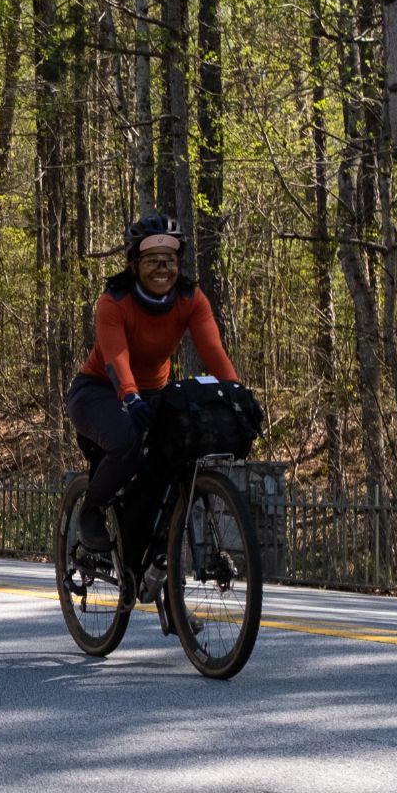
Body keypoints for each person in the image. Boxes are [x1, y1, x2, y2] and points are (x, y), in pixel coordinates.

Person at [66, 213, 240, 554]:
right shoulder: (113, 302)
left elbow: (213, 351)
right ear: (134, 265)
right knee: (127, 440)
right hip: (99, 390)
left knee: (174, 454)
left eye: (170, 260)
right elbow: (116, 358)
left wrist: (236, 392)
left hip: (155, 392)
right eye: (152, 260)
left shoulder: (191, 299)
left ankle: (156, 544)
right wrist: (130, 397)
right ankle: (91, 510)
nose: (163, 267)